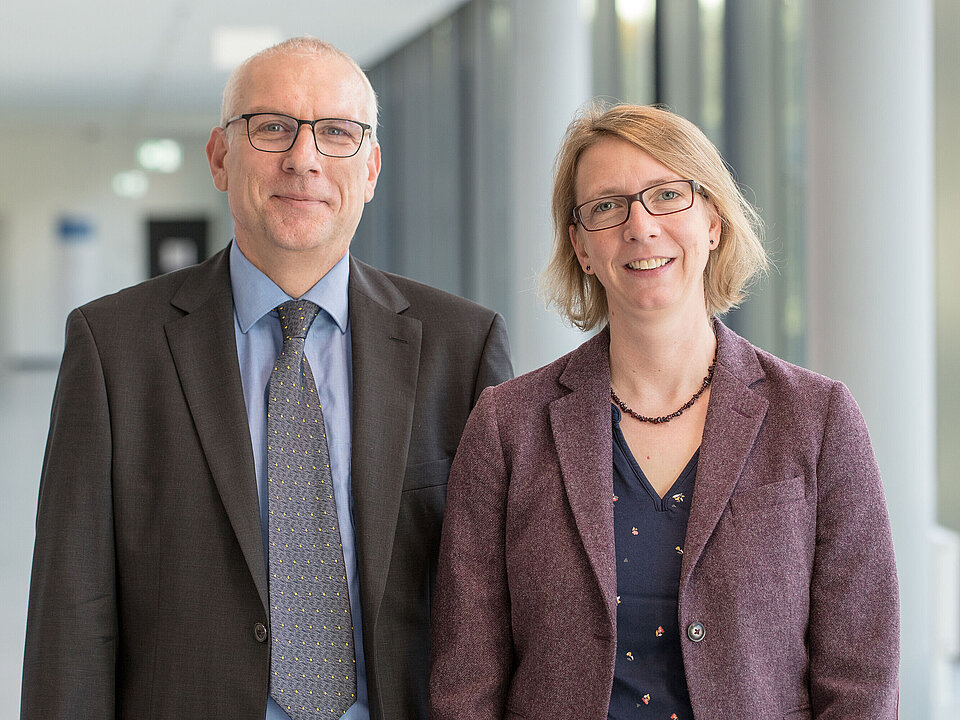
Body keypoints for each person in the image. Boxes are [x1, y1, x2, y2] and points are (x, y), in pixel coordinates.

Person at [21, 36, 512, 720]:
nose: (303, 158)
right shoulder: (113, 348)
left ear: (371, 168)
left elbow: (500, 605)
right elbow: (72, 613)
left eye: (335, 132)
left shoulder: (462, 347)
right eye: (273, 127)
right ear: (220, 157)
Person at [429, 104, 899, 719]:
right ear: (580, 247)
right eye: (607, 206)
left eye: (668, 195)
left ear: (714, 222)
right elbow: (466, 683)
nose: (641, 226)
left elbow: (862, 680)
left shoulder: (818, 420)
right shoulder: (506, 427)